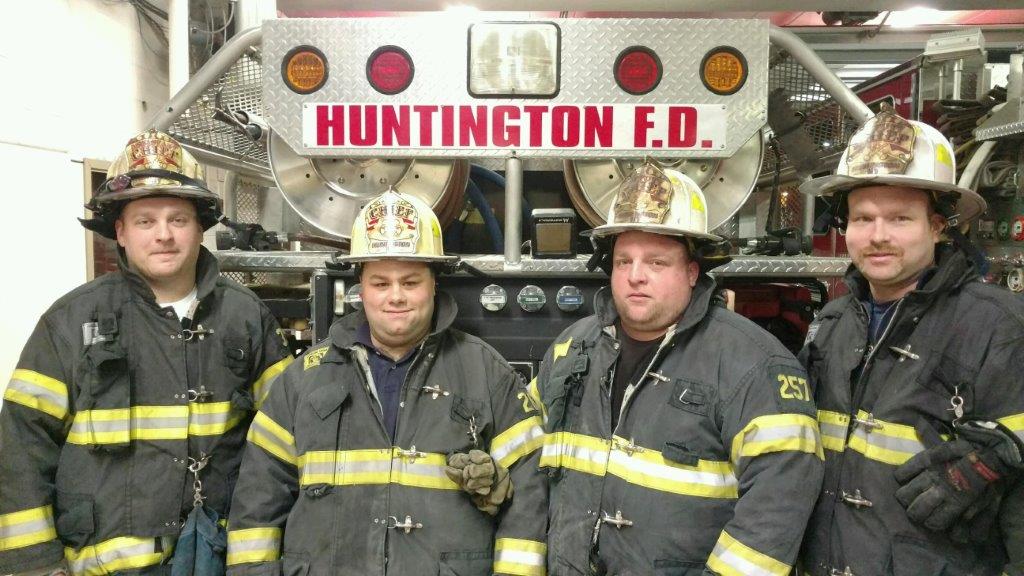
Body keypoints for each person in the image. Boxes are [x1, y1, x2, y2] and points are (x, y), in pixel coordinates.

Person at [0, 130, 293, 576]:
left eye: (178, 219)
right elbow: (21, 449)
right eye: (145, 221)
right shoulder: (70, 322)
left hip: (218, 560)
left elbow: (286, 438)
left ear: (200, 228)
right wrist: (36, 566)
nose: (163, 235)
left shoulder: (246, 317)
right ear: (120, 231)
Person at [225, 188, 547, 576]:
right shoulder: (303, 380)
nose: (395, 297)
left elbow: (529, 494)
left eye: (410, 282)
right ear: (361, 288)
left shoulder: (487, 373)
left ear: (434, 284)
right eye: (381, 283)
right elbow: (258, 500)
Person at [528, 162, 824, 575]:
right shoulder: (572, 346)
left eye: (656, 262)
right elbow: (527, 453)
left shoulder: (754, 365)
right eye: (623, 261)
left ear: (691, 271)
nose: (635, 276)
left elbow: (777, 508)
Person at [798, 109, 1024, 575]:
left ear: (938, 226)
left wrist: (991, 462)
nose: (878, 236)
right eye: (863, 218)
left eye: (900, 218)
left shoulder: (998, 325)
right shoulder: (833, 322)